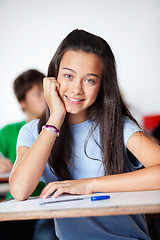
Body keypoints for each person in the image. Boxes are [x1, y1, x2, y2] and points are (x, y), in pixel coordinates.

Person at [9, 29, 160, 240]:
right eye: (68, 76)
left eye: (89, 80)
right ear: (53, 78)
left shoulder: (117, 126)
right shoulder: (33, 132)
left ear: (101, 86)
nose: (77, 89)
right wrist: (55, 120)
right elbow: (19, 190)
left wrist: (89, 185)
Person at [0, 69, 58, 240]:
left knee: (46, 233)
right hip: (19, 202)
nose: (45, 98)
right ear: (22, 102)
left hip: (50, 202)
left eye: (45, 92)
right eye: (38, 94)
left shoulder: (59, 126)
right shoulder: (10, 131)